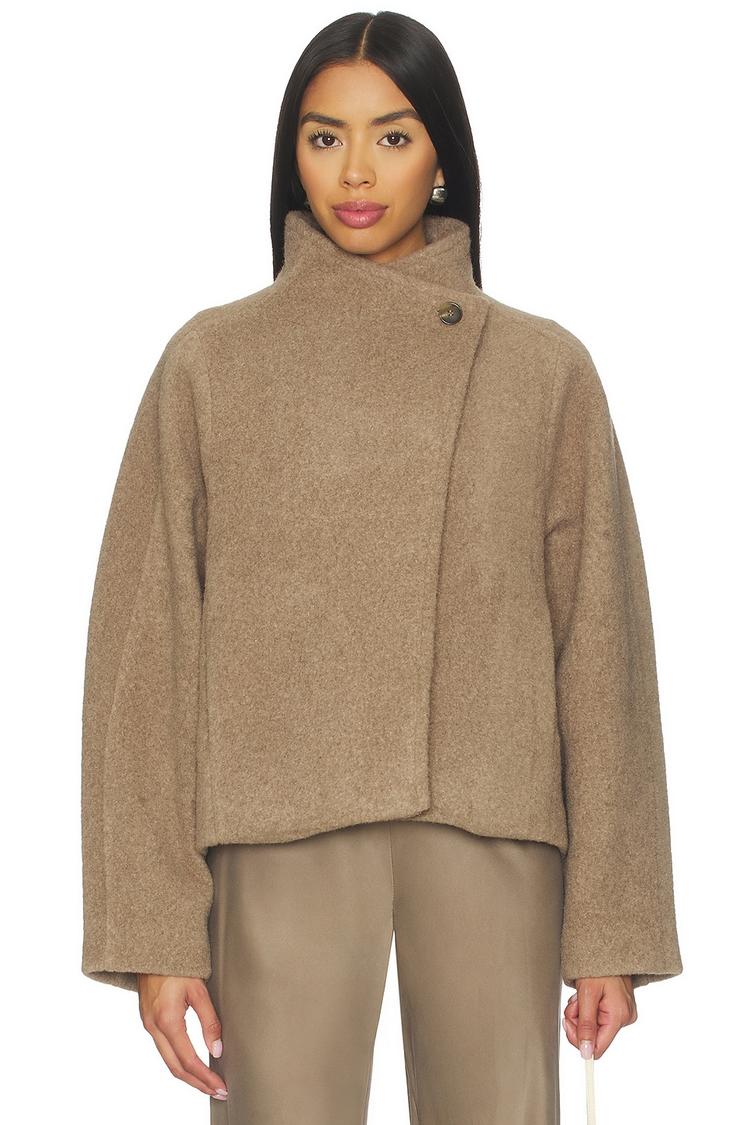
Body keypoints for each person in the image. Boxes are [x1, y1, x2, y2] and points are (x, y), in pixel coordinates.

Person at [80, 11, 683, 1123]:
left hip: (491, 819)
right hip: (274, 819)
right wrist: (155, 931)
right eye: (325, 138)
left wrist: (614, 922)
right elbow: (145, 657)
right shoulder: (213, 361)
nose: (355, 172)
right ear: (291, 155)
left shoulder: (542, 368)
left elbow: (602, 651)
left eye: (392, 137)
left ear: (442, 153)